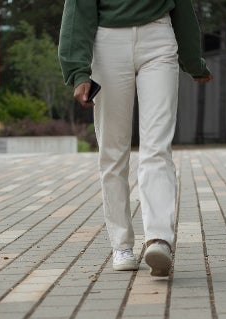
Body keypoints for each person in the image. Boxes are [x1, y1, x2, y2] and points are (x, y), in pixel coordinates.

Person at [58, 0, 214, 277]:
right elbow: (78, 10)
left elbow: (183, 7)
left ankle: (159, 239)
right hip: (107, 43)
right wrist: (78, 71)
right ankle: (122, 246)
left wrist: (193, 61)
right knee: (113, 151)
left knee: (157, 147)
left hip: (159, 39)